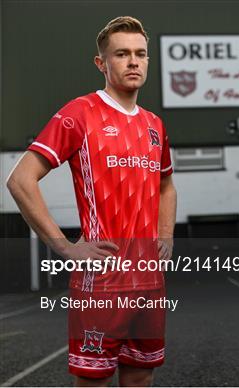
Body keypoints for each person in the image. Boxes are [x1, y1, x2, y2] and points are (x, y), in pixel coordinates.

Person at [7, 16, 177, 387]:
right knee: (93, 380)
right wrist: (62, 245)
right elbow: (20, 180)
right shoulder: (79, 114)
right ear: (102, 63)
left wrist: (166, 234)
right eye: (122, 54)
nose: (133, 61)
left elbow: (166, 185)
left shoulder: (154, 124)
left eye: (140, 54)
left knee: (140, 375)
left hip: (149, 280)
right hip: (102, 280)